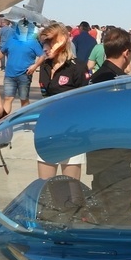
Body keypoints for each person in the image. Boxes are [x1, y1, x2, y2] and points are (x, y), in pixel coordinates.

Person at [87, 28, 131, 220]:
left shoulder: (97, 76)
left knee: (103, 212)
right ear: (126, 52)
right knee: (119, 214)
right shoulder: (114, 79)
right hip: (114, 157)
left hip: (100, 156)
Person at [37, 23, 91, 179]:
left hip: (72, 133)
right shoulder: (45, 66)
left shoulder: (78, 67)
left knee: (71, 190)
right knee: (45, 188)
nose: (45, 48)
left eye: (49, 43)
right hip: (48, 131)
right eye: (43, 44)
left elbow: (84, 102)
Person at [0, 19, 44, 114]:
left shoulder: (33, 42)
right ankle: (3, 121)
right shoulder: (11, 40)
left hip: (25, 74)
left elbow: (42, 56)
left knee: (23, 99)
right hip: (9, 74)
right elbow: (2, 51)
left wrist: (35, 66)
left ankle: (25, 121)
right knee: (7, 98)